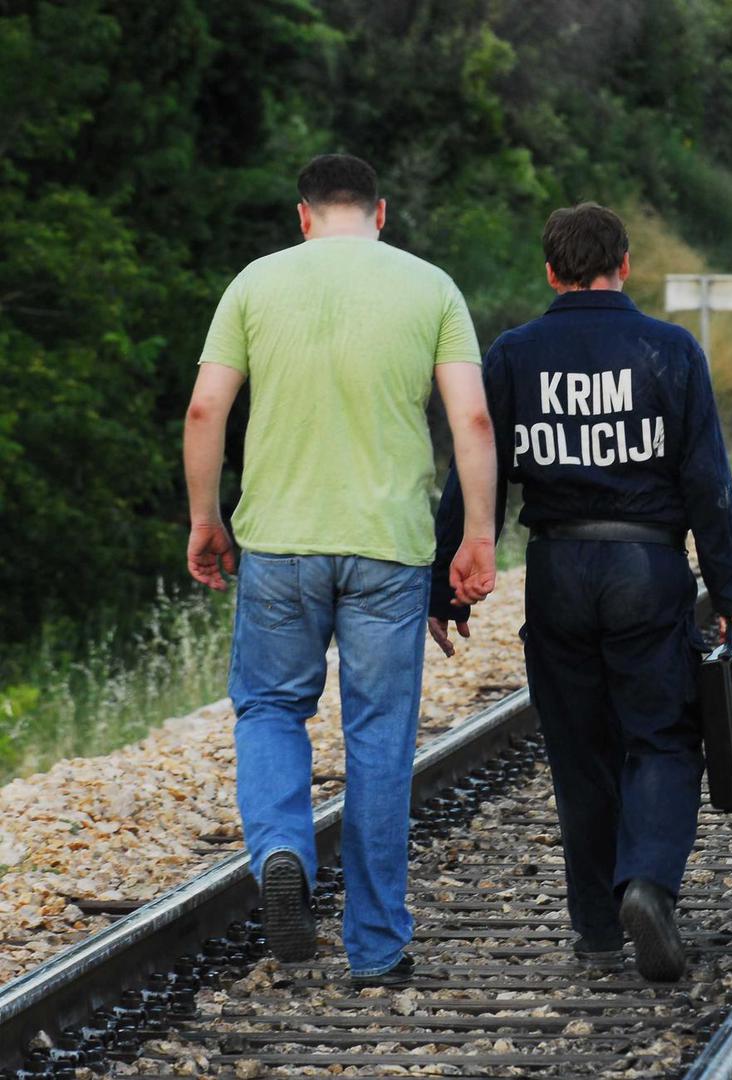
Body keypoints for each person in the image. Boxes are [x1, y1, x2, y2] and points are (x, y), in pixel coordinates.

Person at [182, 153, 498, 987]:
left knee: (272, 709)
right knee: (379, 738)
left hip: (280, 542)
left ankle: (283, 849)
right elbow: (470, 414)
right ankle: (378, 946)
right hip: (389, 547)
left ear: (304, 215)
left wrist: (206, 519)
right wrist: (480, 535)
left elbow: (206, 407)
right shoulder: (431, 288)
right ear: (382, 213)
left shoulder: (254, 283)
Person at [431, 203, 732, 982]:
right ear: (627, 263)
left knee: (579, 751)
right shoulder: (670, 351)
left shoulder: (514, 355)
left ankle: (597, 931)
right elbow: (707, 482)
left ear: (551, 271)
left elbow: (473, 472)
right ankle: (646, 883)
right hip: (645, 569)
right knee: (665, 737)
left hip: (557, 570)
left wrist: (448, 585)